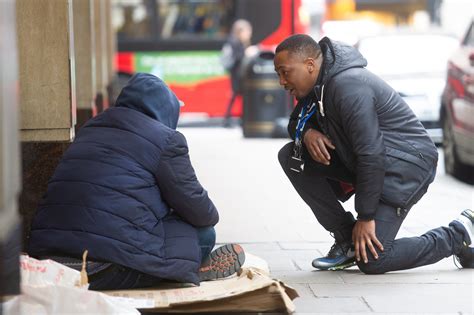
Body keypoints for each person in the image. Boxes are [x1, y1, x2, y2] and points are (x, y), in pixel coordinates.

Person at [274, 34, 473, 273]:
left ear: (309, 65)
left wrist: (365, 216)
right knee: (292, 158)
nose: (281, 81)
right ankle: (347, 240)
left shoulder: (347, 86)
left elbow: (371, 152)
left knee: (373, 260)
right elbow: (295, 121)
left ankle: (457, 235)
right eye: (278, 74)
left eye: (285, 72)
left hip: (406, 166)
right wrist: (306, 132)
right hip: (367, 160)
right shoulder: (319, 85)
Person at [28, 73, 245, 289]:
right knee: (205, 234)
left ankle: (179, 268)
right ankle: (182, 270)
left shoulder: (89, 129)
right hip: (104, 270)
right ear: (166, 110)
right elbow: (201, 213)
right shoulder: (166, 140)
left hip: (50, 261)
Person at [221, 19, 253, 127]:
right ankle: (237, 119)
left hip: (237, 74)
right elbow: (237, 58)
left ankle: (232, 118)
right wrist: (247, 53)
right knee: (240, 95)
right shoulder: (235, 42)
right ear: (240, 32)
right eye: (247, 32)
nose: (249, 34)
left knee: (236, 96)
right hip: (237, 75)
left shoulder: (237, 42)